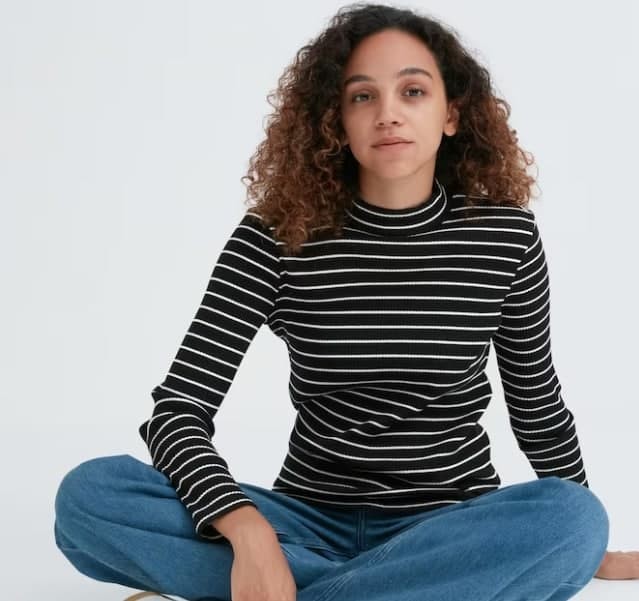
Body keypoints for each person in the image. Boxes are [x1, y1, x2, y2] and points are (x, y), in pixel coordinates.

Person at [53, 3, 639, 601]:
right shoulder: (275, 236)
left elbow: (536, 400)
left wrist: (589, 544)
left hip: (450, 531)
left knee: (572, 519)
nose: (388, 114)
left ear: (452, 114)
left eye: (413, 91)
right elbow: (179, 409)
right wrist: (248, 533)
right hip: (301, 525)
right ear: (336, 121)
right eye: (362, 97)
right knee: (90, 497)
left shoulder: (503, 237)